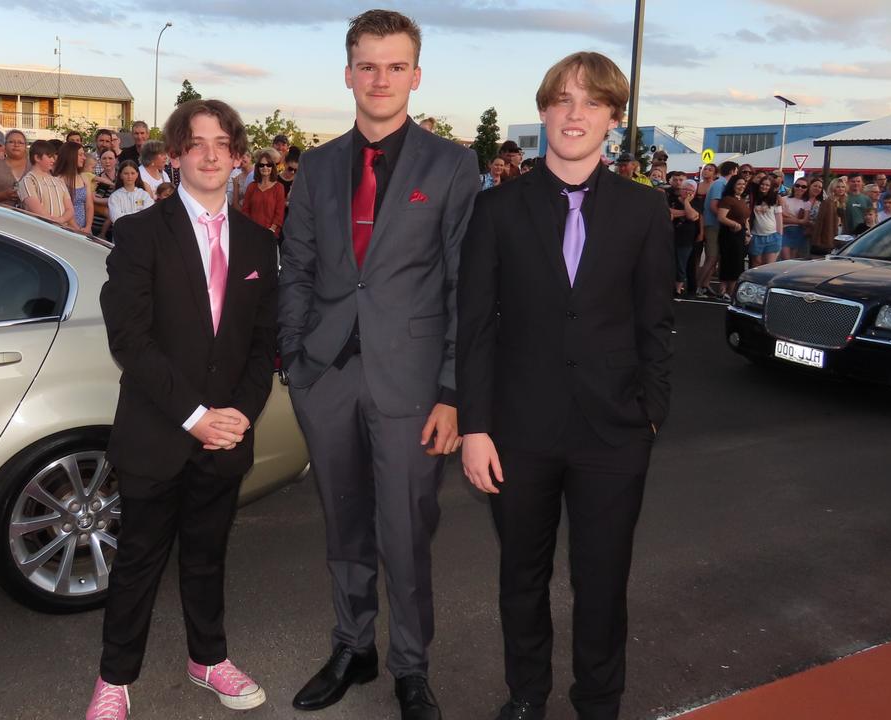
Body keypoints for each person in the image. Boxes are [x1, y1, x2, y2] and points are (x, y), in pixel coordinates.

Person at [458, 50, 674, 720]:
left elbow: (656, 323)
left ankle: (599, 702)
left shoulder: (645, 211)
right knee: (521, 576)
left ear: (613, 116)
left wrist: (650, 415)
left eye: (591, 101)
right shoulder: (495, 209)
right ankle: (526, 694)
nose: (574, 113)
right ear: (545, 110)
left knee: (602, 581)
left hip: (613, 432)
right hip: (518, 431)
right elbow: (474, 328)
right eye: (562, 99)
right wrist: (475, 427)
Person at [279, 11, 480, 720]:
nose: (381, 79)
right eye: (368, 65)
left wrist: (454, 390)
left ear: (415, 77)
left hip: (414, 384)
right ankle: (352, 646)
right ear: (348, 74)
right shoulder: (318, 164)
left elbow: (464, 284)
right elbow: (296, 266)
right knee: (344, 525)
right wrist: (297, 357)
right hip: (327, 378)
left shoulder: (452, 165)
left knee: (405, 531)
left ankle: (412, 667)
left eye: (396, 66)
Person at [86, 98, 278, 720]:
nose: (211, 153)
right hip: (159, 433)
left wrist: (241, 414)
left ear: (240, 157)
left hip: (225, 437)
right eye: (196, 143)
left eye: (223, 143)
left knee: (207, 554)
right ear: (174, 156)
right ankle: (115, 679)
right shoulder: (141, 232)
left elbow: (261, 344)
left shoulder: (257, 243)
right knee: (137, 561)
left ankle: (208, 659)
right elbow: (130, 341)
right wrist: (194, 414)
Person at [697, 161, 737, 298]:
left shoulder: (721, 184)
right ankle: (698, 287)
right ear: (732, 171)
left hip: (716, 225)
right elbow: (714, 206)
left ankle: (705, 285)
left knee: (715, 257)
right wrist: (725, 219)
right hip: (713, 224)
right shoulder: (720, 184)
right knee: (712, 257)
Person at [16, 140, 75, 228]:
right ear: (37, 158)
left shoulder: (59, 181)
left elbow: (70, 209)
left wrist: (61, 220)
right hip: (41, 231)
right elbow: (37, 210)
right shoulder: (28, 181)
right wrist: (55, 223)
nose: (53, 160)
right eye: (49, 156)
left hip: (62, 231)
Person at [716, 175, 751, 300]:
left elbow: (746, 219)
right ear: (733, 185)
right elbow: (721, 217)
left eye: (743, 184)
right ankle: (724, 290)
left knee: (737, 263)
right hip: (729, 234)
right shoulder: (727, 199)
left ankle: (731, 291)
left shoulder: (741, 200)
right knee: (729, 262)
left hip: (740, 234)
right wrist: (735, 224)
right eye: (739, 184)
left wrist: (747, 233)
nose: (742, 186)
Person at [241, 148, 285, 236]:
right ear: (258, 167)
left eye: (268, 165)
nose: (265, 167)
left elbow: (279, 214)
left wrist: (271, 231)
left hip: (270, 235)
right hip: (251, 233)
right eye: (262, 165)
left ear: (272, 167)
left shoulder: (279, 188)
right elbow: (245, 210)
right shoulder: (252, 187)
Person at [54, 140, 94, 233]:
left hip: (86, 229)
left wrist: (88, 226)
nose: (84, 158)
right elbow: (64, 208)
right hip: (68, 228)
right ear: (70, 156)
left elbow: (89, 205)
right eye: (80, 155)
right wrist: (77, 228)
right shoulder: (58, 180)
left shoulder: (84, 177)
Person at [670, 179, 702, 296]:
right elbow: (668, 211)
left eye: (691, 190)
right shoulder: (672, 199)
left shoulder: (697, 202)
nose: (688, 192)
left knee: (681, 263)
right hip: (671, 235)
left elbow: (694, 216)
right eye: (685, 189)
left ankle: (678, 288)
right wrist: (688, 213)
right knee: (669, 261)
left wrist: (687, 202)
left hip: (686, 238)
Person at [105, 160, 154, 232]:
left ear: (137, 174)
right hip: (122, 236)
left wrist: (125, 215)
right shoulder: (115, 196)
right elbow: (116, 219)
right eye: (126, 173)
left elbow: (149, 215)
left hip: (142, 234)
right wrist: (139, 213)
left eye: (133, 173)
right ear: (121, 175)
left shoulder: (144, 195)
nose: (129, 176)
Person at [749, 175, 783, 267]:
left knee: (769, 266)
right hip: (756, 236)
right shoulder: (754, 198)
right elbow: (751, 184)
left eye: (767, 185)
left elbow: (779, 219)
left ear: (771, 187)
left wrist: (779, 235)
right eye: (762, 184)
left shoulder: (775, 199)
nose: (764, 187)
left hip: (772, 236)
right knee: (756, 263)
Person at [780, 177, 812, 259]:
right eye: (797, 185)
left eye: (803, 187)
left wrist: (789, 218)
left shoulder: (807, 203)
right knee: (785, 259)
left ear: (807, 189)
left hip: (798, 232)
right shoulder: (784, 199)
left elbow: (805, 221)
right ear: (794, 186)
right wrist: (798, 220)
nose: (800, 188)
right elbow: (780, 219)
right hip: (784, 231)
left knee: (793, 259)